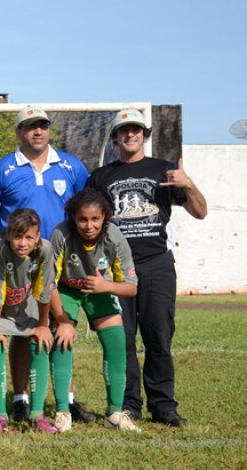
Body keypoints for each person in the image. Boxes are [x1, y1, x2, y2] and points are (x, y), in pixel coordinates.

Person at [87, 108, 207, 427]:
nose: (130, 135)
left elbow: (201, 212)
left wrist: (189, 184)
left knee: (158, 337)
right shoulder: (100, 177)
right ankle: (128, 405)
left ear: (145, 134)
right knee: (121, 339)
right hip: (117, 269)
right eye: (124, 130)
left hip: (157, 265)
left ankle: (164, 406)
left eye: (136, 130)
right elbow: (89, 223)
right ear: (115, 136)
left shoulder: (165, 170)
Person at [0, 106, 93, 424]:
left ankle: (65, 401)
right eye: (30, 126)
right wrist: (16, 236)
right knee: (20, 331)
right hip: (16, 264)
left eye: (42, 125)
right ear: (18, 132)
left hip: (61, 259)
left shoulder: (72, 166)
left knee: (60, 326)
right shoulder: (0, 170)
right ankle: (20, 400)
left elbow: (85, 209)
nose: (38, 131)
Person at [49, 188, 140, 433]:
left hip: (100, 290)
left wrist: (105, 285)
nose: (89, 225)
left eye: (95, 219)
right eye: (82, 219)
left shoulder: (115, 237)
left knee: (117, 341)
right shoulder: (61, 234)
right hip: (65, 290)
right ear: (73, 218)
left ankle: (115, 413)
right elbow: (48, 285)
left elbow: (131, 288)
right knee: (62, 339)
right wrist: (63, 320)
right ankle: (62, 412)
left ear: (105, 218)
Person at [0, 208, 58, 435]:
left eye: (28, 238)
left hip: (26, 303)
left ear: (37, 236)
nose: (22, 243)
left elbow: (44, 290)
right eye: (17, 237)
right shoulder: (1, 249)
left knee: (40, 342)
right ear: (7, 235)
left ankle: (37, 415)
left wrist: (43, 326)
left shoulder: (46, 249)